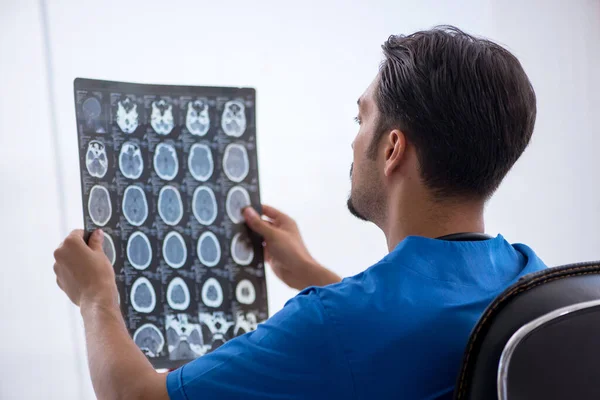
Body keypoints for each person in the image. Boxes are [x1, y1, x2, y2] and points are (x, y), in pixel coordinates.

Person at [53, 26, 546, 399]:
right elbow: (398, 334)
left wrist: (96, 298)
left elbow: (137, 395)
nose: (355, 140)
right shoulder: (534, 282)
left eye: (361, 118)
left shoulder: (331, 324)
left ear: (393, 147)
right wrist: (311, 272)